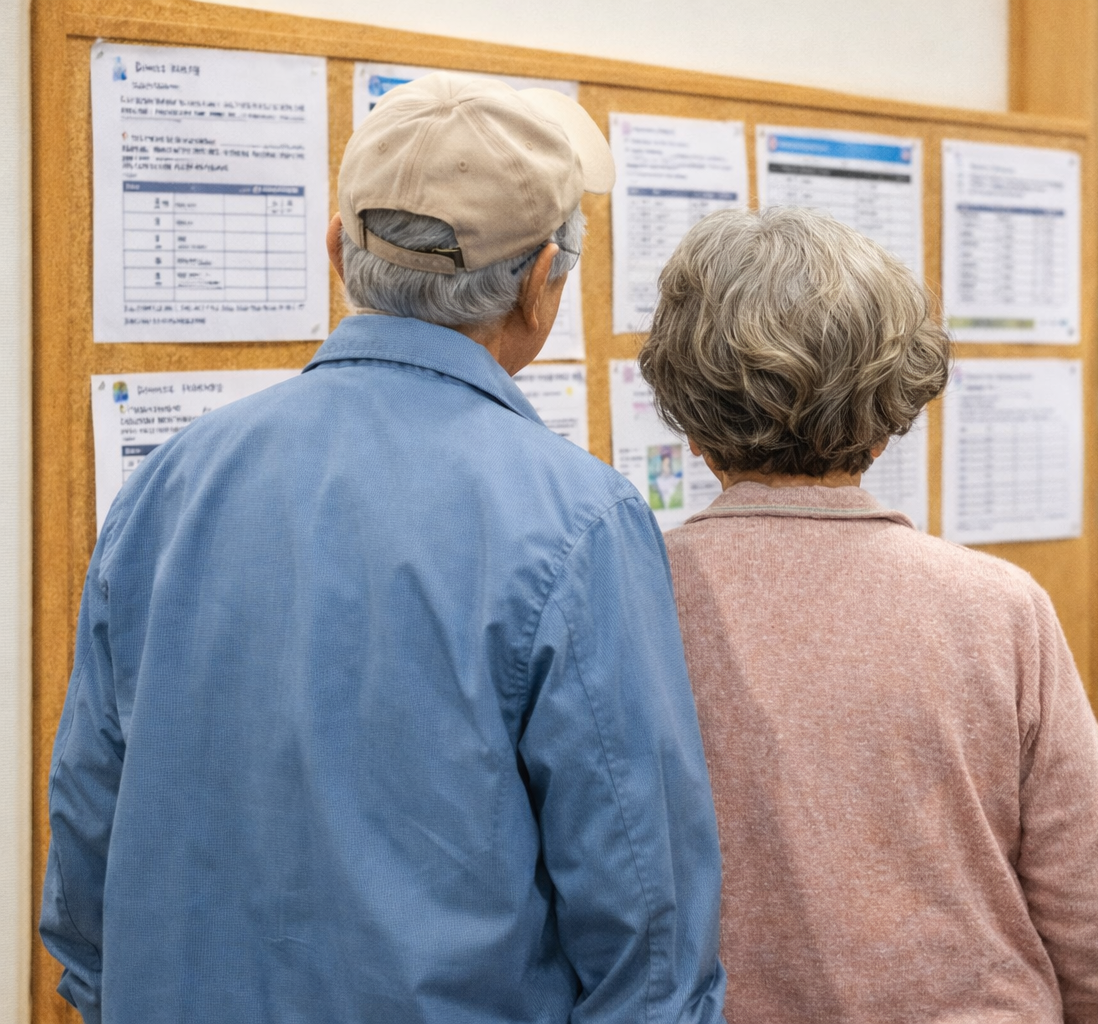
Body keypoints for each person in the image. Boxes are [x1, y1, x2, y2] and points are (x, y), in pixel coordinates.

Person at [41, 73, 726, 1024]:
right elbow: (643, 930)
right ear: (542, 282)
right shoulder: (577, 520)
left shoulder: (172, 481)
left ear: (336, 250)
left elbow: (85, 838)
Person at [640, 206, 1098, 1024]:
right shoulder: (997, 607)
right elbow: (1092, 893)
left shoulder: (629, 599)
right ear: (886, 420)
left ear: (691, 421)